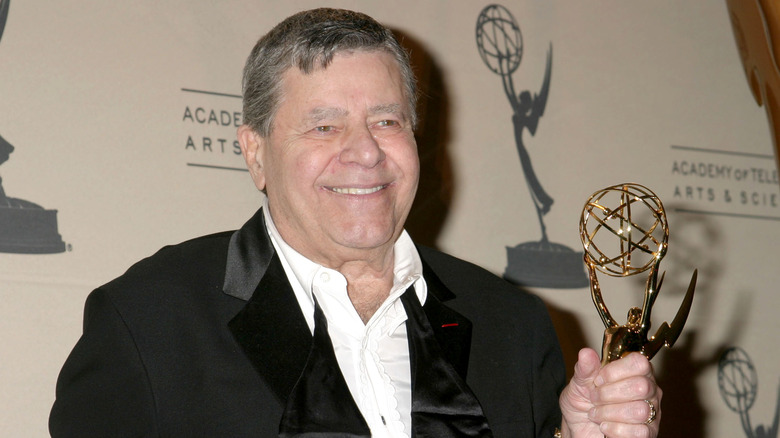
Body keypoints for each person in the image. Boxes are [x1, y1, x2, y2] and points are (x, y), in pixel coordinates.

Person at [50, 8, 661, 438]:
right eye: (324, 126)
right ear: (255, 151)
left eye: (387, 120)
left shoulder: (514, 326)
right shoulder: (149, 321)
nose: (365, 152)